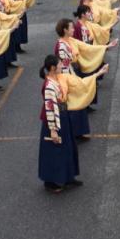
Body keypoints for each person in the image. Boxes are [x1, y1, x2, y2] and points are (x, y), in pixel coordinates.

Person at [38, 54, 81, 193]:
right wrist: (53, 129)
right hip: (55, 120)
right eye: (59, 64)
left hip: (63, 115)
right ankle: (50, 181)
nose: (62, 65)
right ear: (52, 68)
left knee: (67, 146)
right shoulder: (49, 85)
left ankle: (68, 176)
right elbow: (49, 107)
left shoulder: (57, 79)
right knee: (54, 151)